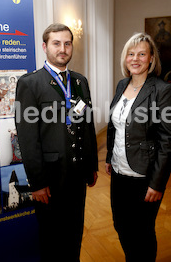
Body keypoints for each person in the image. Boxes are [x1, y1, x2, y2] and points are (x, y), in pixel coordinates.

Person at [15, 23, 98, 262]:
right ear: (45, 46)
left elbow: (87, 124)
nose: (63, 48)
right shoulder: (30, 84)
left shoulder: (80, 81)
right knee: (52, 238)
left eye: (67, 43)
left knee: (74, 233)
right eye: (56, 43)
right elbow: (27, 138)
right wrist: (38, 183)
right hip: (50, 178)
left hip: (77, 175)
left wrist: (91, 164)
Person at [105, 32, 171, 262]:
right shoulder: (122, 84)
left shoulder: (162, 90)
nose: (135, 59)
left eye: (142, 54)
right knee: (120, 224)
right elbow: (115, 124)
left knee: (142, 231)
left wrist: (157, 182)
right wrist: (108, 158)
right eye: (130, 54)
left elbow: (167, 140)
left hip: (145, 175)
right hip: (119, 172)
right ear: (125, 59)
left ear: (151, 59)